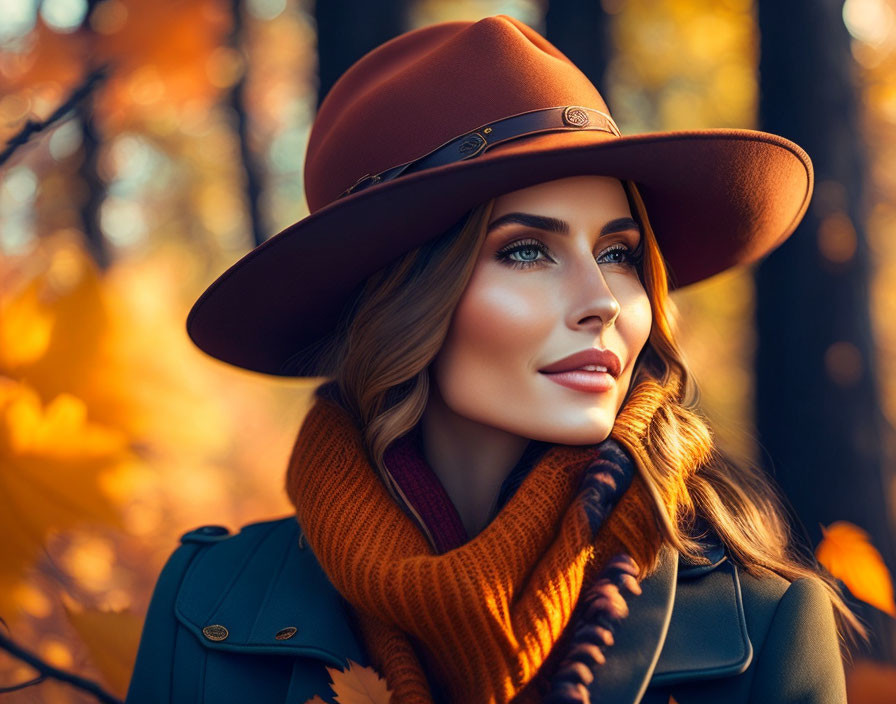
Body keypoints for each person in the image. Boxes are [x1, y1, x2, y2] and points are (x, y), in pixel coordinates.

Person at [125, 14, 866, 704]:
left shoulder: (763, 625)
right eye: (526, 250)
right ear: (401, 303)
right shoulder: (206, 608)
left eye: (618, 253)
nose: (602, 299)